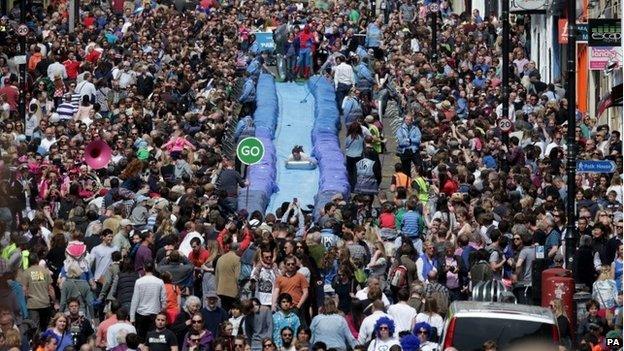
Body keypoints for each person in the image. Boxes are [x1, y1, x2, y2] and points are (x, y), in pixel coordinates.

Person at [129, 261, 166, 339]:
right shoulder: (160, 282)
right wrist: (163, 311)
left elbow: (135, 299)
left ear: (144, 268)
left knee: (141, 338)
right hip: (155, 312)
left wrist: (132, 317)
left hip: (141, 313)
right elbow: (163, 299)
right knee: (153, 338)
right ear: (153, 269)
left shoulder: (139, 282)